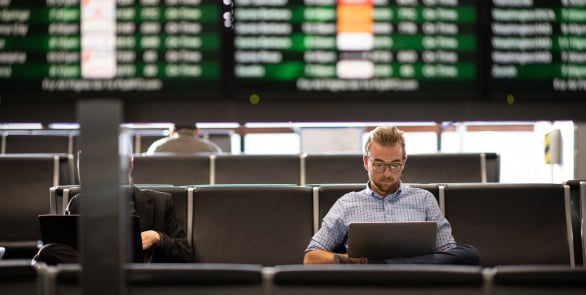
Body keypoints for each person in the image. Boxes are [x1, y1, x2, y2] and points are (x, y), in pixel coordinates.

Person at [303, 126, 480, 265]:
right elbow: (310, 257)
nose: (387, 173)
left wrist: (370, 264)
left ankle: (378, 264)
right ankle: (381, 266)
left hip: (415, 279)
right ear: (366, 162)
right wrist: (348, 260)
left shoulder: (424, 199)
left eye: (394, 165)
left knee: (469, 254)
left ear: (404, 162)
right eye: (379, 165)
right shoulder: (346, 204)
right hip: (369, 282)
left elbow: (450, 253)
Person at [33, 148, 193, 265]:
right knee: (48, 250)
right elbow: (66, 248)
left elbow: (185, 252)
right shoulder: (79, 202)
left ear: (130, 165)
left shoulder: (160, 202)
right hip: (90, 269)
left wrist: (157, 237)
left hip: (133, 271)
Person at [146, 123, 222, 154]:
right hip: (200, 187)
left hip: (163, 187)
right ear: (197, 131)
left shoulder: (157, 146)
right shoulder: (211, 148)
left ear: (172, 131)